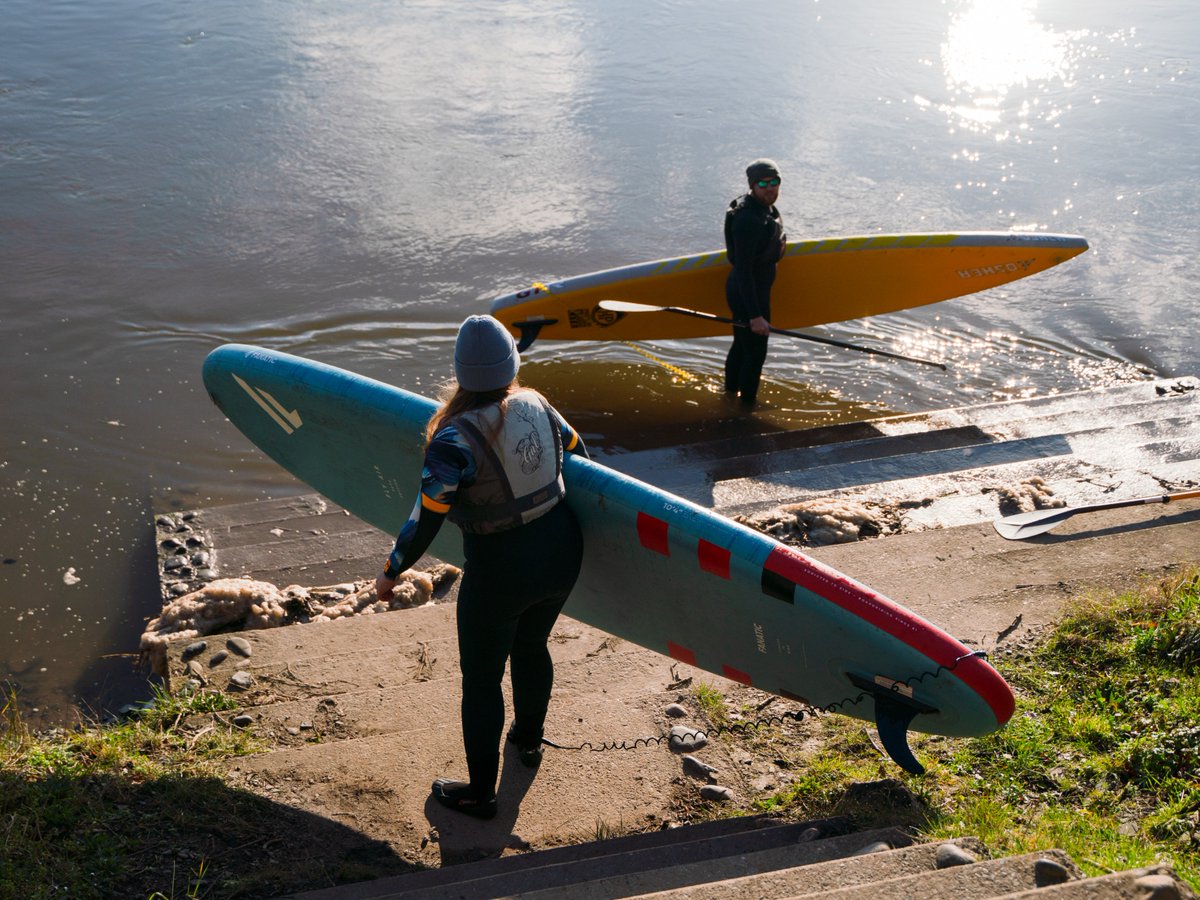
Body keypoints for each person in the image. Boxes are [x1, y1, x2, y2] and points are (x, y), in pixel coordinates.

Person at [375, 314, 587, 820]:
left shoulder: (452, 440)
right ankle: (529, 743)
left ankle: (479, 793)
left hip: (500, 572)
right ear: (511, 364)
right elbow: (578, 450)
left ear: (460, 373)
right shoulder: (538, 403)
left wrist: (392, 570)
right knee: (532, 645)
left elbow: (428, 514)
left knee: (483, 679)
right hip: (562, 551)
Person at [723, 158, 787, 408]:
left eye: (775, 182)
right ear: (752, 185)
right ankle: (746, 407)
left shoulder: (763, 209)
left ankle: (729, 396)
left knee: (741, 346)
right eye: (763, 183)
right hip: (747, 293)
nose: (770, 188)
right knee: (755, 352)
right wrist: (755, 315)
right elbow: (743, 270)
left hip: (751, 289)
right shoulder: (748, 220)